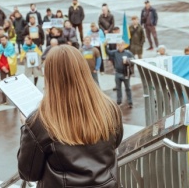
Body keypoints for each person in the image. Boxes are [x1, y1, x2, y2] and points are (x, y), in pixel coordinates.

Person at [17, 45, 123, 187]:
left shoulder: (40, 121)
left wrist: (27, 127)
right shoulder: (110, 108)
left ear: (50, 77)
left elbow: (28, 173)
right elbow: (115, 143)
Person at [106, 41, 135, 107]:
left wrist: (127, 61)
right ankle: (119, 101)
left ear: (124, 45)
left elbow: (134, 60)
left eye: (121, 45)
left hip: (125, 73)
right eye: (118, 45)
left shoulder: (128, 53)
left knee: (128, 88)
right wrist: (106, 45)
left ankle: (130, 102)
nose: (120, 46)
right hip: (117, 73)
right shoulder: (115, 52)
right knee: (118, 88)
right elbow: (108, 52)